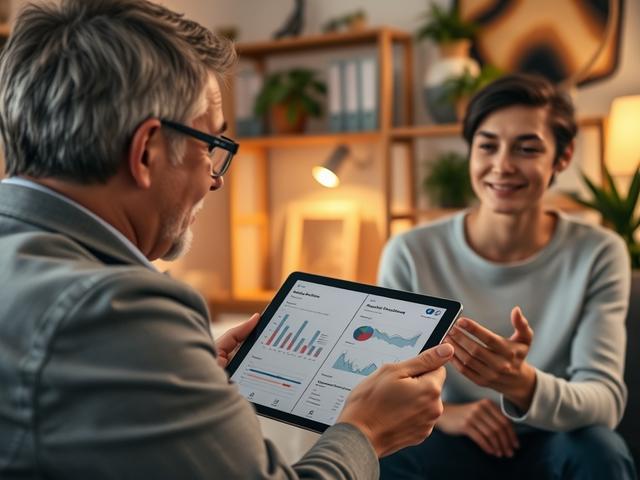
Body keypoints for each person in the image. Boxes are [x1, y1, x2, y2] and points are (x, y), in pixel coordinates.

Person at [0, 1, 454, 478]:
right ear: (147, 151)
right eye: (210, 147)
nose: (215, 180)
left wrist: (182, 382)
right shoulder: (120, 310)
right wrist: (366, 431)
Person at [378, 74, 637, 479]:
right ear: (470, 151)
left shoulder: (598, 253)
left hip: (553, 440)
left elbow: (603, 402)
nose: (502, 166)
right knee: (382, 455)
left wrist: (518, 382)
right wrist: (449, 415)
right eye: (487, 146)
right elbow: (385, 380)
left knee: (602, 451)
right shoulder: (411, 252)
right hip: (447, 436)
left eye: (527, 148)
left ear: (562, 158)